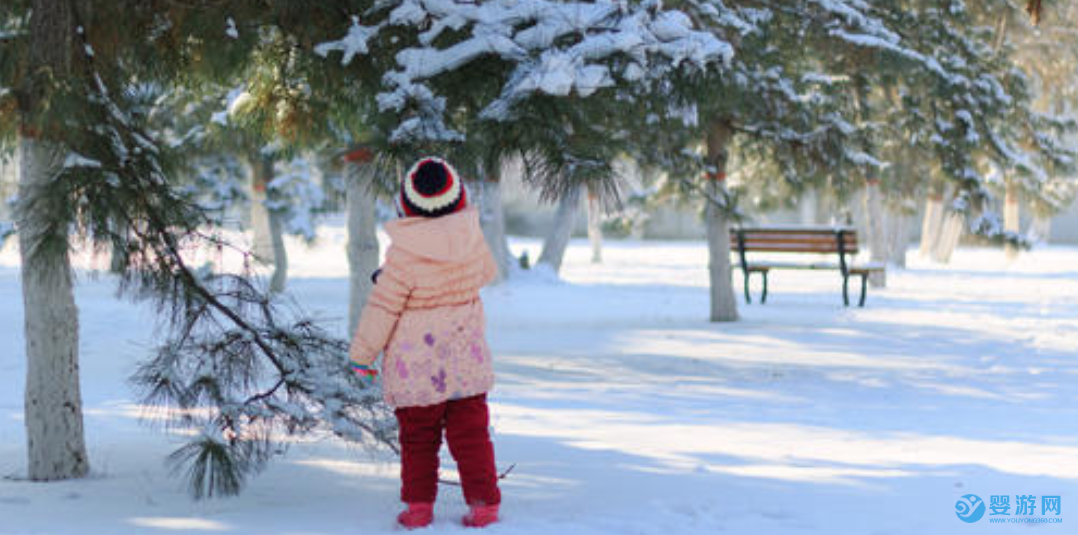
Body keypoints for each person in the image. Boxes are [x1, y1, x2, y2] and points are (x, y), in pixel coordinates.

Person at [349, 157, 501, 529]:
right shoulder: (471, 239)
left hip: (416, 369)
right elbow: (486, 273)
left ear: (406, 206)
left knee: (418, 439)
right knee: (472, 437)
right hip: (466, 362)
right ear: (460, 199)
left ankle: (418, 507)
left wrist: (363, 355)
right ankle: (484, 504)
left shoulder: (401, 258)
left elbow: (382, 309)